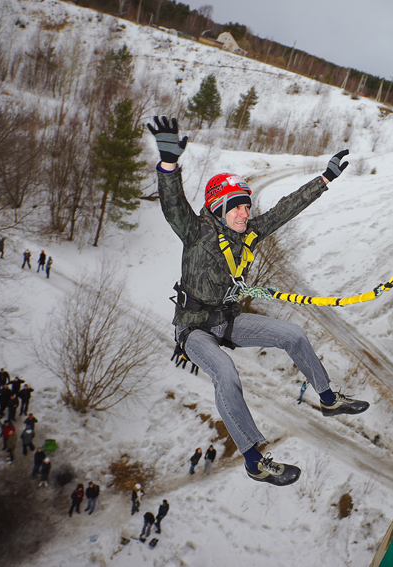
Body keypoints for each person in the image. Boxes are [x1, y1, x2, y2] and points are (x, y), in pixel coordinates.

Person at [149, 115, 370, 487]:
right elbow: (173, 206)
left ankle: (329, 398)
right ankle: (255, 461)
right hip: (194, 329)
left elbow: (285, 209)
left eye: (246, 206)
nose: (244, 213)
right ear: (218, 207)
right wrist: (169, 165)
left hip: (228, 320)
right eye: (236, 207)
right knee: (225, 373)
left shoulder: (248, 233)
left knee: (293, 334)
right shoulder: (198, 232)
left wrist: (324, 180)